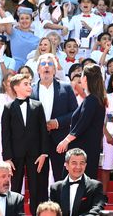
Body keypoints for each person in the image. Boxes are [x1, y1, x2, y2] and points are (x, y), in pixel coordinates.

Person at [1, 73, 50, 214]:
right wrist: (7, 157)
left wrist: (43, 153)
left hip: (35, 155)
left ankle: (36, 213)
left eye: (30, 84)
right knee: (15, 188)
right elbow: (6, 134)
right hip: (15, 156)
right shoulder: (8, 108)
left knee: (35, 188)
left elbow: (43, 132)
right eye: (26, 84)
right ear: (16, 87)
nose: (29, 86)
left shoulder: (38, 106)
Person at [31, 54, 78, 182]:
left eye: (50, 64)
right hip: (37, 141)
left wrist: (57, 123)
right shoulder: (30, 89)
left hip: (60, 140)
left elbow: (75, 113)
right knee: (38, 179)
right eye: (43, 64)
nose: (46, 66)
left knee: (61, 179)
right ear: (38, 69)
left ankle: (61, 202)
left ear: (55, 69)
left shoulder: (66, 87)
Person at [56, 64, 106, 180]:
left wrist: (65, 140)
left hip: (83, 149)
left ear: (85, 79)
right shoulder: (95, 99)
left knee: (80, 183)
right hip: (87, 147)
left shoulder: (92, 100)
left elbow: (82, 124)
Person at [49, 148, 105, 216]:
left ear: (85, 165)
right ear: (66, 165)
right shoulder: (55, 188)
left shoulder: (95, 186)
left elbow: (97, 209)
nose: (78, 167)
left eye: (81, 163)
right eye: (74, 163)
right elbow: (52, 211)